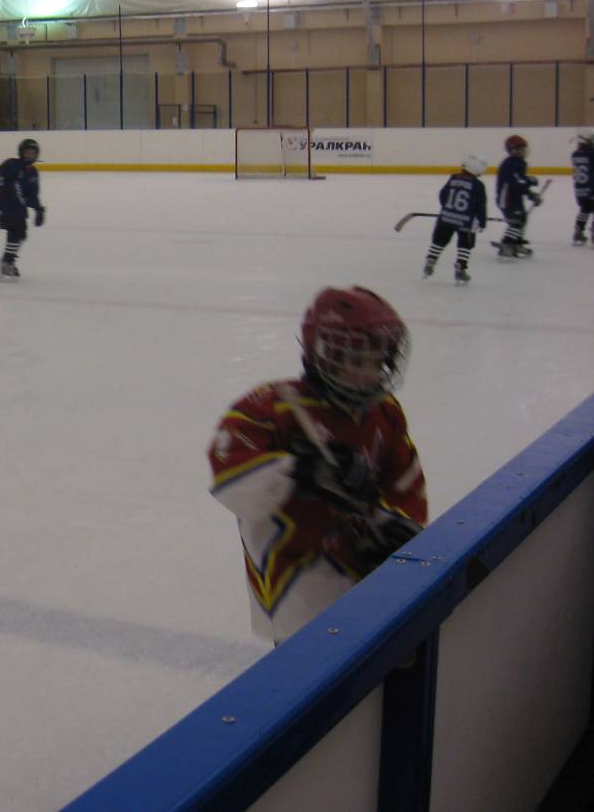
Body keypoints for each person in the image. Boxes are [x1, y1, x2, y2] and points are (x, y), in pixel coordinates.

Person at [207, 286, 427, 645]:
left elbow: (405, 483)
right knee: (313, 663)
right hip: (296, 579)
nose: (371, 375)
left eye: (377, 362)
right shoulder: (271, 408)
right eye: (357, 362)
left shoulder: (385, 413)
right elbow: (230, 480)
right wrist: (299, 470)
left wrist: (392, 526)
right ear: (323, 355)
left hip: (365, 577)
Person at [422, 155, 487, 284]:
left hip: (445, 217)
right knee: (465, 244)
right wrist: (482, 221)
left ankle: (431, 259)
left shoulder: (453, 178)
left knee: (439, 241)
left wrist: (447, 209)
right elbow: (481, 205)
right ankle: (460, 268)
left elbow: (442, 195)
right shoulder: (478, 185)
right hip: (465, 221)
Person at [0, 138, 45, 280]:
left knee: (21, 235)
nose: (30, 155)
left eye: (32, 153)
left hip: (20, 209)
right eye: (27, 152)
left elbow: (32, 195)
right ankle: (7, 263)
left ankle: (8, 260)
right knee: (15, 233)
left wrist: (39, 209)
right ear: (21, 152)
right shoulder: (11, 165)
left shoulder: (33, 173)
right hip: (5, 205)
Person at [495, 134, 540, 258]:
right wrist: (530, 181)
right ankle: (507, 243)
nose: (524, 151)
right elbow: (517, 182)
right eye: (521, 149)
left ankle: (516, 243)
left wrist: (530, 194)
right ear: (513, 150)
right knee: (516, 221)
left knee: (522, 219)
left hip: (514, 197)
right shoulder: (512, 164)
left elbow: (519, 184)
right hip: (507, 199)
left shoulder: (518, 163)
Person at [572, 132, 593, 246]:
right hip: (591, 187)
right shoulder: (591, 153)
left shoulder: (575, 155)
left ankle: (578, 230)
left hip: (580, 189)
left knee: (585, 209)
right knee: (588, 208)